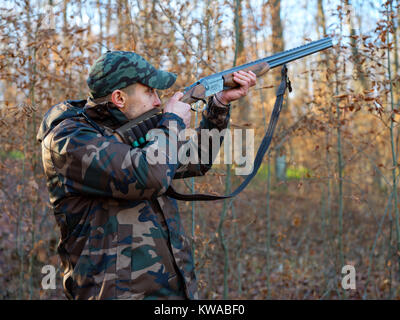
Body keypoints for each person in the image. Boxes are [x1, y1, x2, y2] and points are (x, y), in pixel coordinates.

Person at [37, 50, 256, 300]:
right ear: (119, 98)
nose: (157, 102)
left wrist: (218, 104)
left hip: (172, 292)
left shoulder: (140, 130)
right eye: (150, 92)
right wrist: (172, 122)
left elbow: (197, 160)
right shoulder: (70, 141)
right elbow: (150, 175)